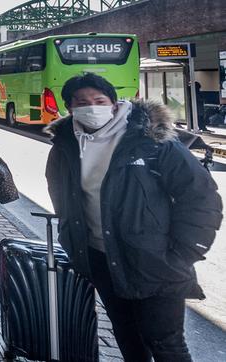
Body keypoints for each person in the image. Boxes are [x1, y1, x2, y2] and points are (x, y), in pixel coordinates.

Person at [44, 73, 222, 362]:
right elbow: (60, 192)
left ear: (114, 104)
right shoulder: (66, 143)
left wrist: (185, 252)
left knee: (166, 344)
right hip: (101, 259)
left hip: (158, 263)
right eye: (82, 102)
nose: (92, 107)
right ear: (70, 108)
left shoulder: (150, 139)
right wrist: (73, 240)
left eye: (99, 101)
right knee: (128, 338)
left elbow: (200, 196)